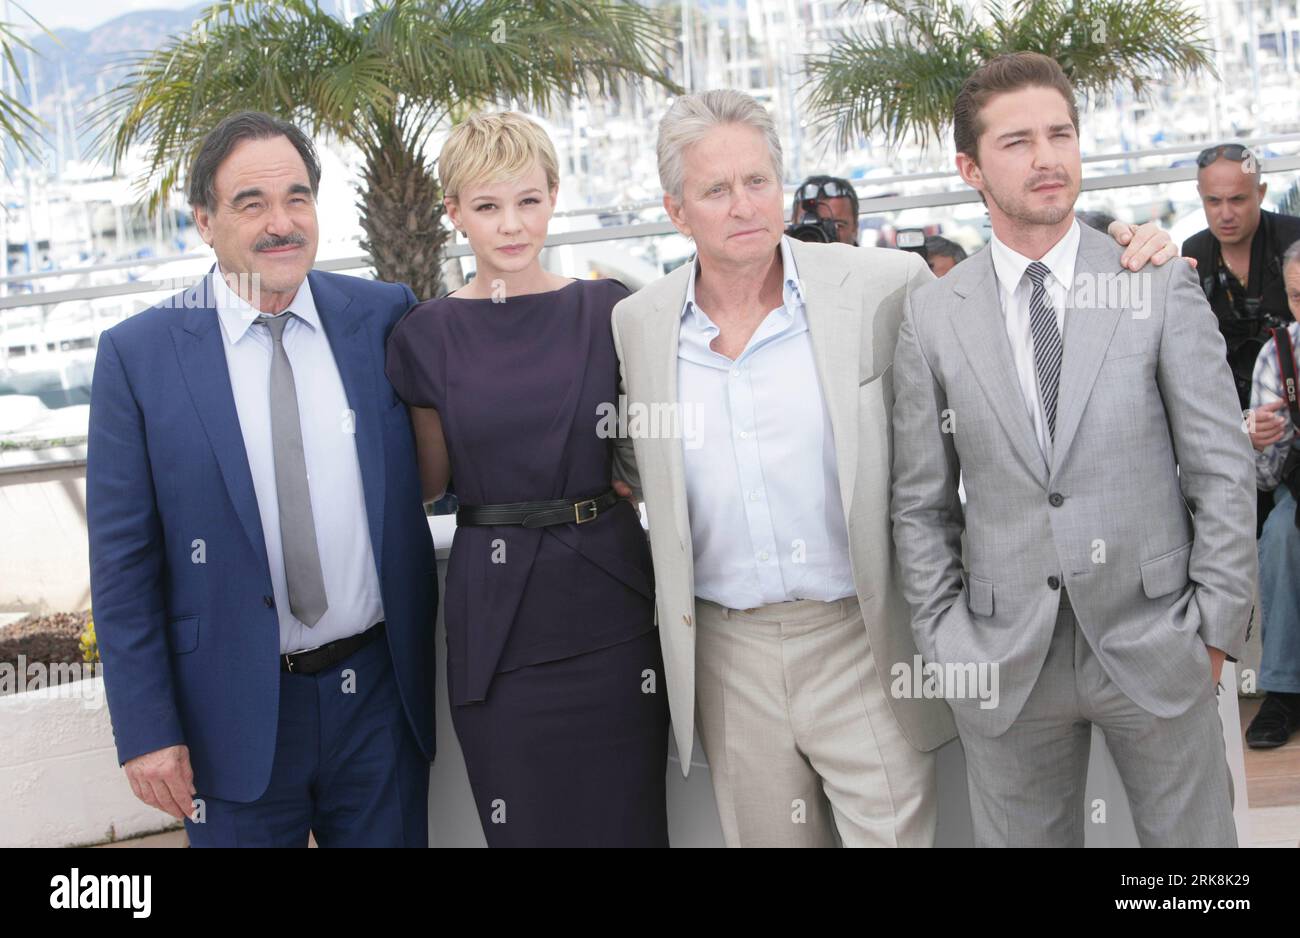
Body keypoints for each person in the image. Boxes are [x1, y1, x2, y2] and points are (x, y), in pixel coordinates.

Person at [610, 88, 1182, 848]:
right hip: (726, 652)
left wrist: (1135, 252)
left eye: (757, 181)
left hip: (863, 637)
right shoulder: (636, 323)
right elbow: (633, 465)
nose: (744, 205)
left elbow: (1008, 354)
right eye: (715, 190)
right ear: (676, 212)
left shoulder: (883, 287)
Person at [891, 53, 1255, 847]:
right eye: (1017, 141)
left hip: (1160, 638)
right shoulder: (934, 315)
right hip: (1002, 655)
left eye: (1061, 133)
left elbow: (1221, 465)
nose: (1047, 156)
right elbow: (919, 505)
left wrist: (1215, 630)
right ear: (970, 168)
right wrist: (949, 644)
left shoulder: (1154, 280)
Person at [86, 111, 437, 846]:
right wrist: (147, 729)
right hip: (229, 718)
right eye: (252, 203)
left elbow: (449, 453)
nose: (281, 224)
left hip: (378, 701)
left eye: (297, 198)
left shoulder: (382, 317)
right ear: (204, 222)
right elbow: (122, 567)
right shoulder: (139, 356)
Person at [384, 112, 669, 847]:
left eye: (528, 200)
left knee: (631, 827)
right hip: (497, 624)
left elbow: (647, 453)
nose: (511, 225)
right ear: (453, 213)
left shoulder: (606, 310)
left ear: (553, 196)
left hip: (612, 611)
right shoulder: (425, 334)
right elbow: (428, 483)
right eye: (486, 206)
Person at [1182, 142, 1300, 410]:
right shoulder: (1194, 251)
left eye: (1237, 199)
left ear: (1260, 193)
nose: (1225, 215)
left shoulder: (1295, 240)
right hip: (1228, 405)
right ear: (1200, 195)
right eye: (1213, 201)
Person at [1243, 239, 1300, 748]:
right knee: (1281, 534)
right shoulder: (1277, 356)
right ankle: (1283, 688)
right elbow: (1265, 477)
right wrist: (1262, 439)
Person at [788, 174, 859, 244]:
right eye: (812, 225)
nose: (823, 233)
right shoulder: (784, 252)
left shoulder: (867, 255)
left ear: (855, 228)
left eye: (837, 225)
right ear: (793, 226)